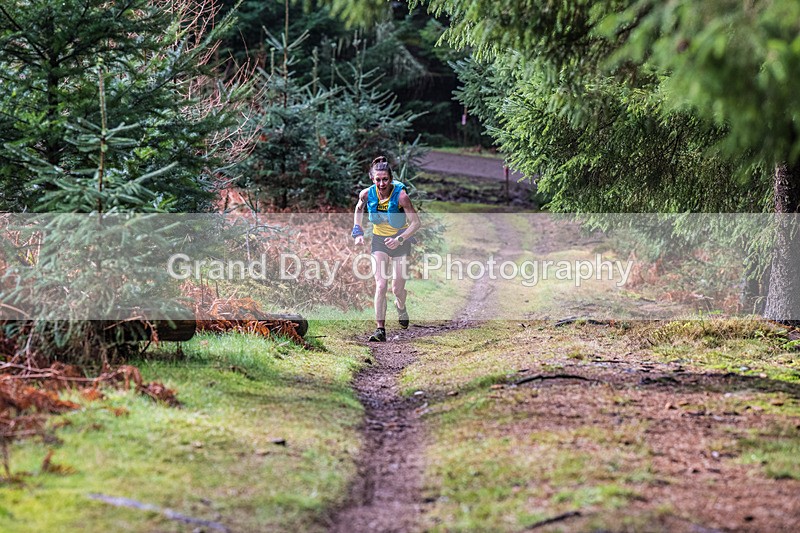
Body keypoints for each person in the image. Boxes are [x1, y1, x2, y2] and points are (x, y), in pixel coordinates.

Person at [352, 156, 421, 342]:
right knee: (381, 285)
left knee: (397, 289)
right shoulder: (366, 194)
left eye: (385, 179)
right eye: (378, 180)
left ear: (391, 179)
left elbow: (415, 223)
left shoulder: (401, 196)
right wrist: (357, 231)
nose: (382, 183)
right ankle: (380, 329)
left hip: (401, 242)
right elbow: (359, 209)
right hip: (379, 241)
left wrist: (400, 239)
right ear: (372, 179)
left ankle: (401, 306)